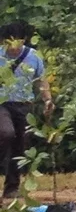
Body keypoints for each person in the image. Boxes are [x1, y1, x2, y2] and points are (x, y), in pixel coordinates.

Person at [0, 21, 49, 200]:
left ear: (24, 40)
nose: (12, 47)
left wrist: (48, 100)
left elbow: (41, 80)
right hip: (2, 103)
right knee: (6, 133)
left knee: (20, 146)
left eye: (17, 41)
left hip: (24, 105)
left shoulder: (34, 56)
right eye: (8, 42)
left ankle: (12, 187)